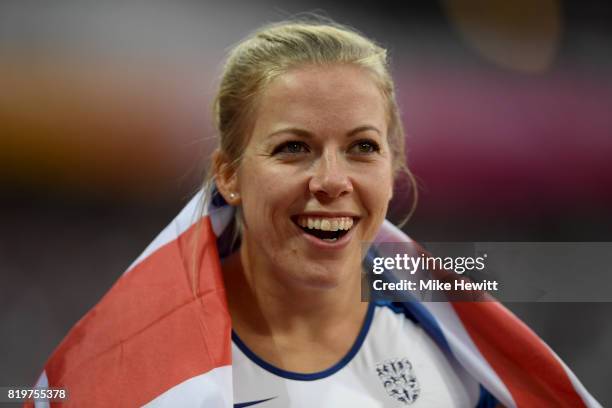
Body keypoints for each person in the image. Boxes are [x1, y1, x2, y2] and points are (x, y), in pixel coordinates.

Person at [28, 19, 599, 408]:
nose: (332, 181)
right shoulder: (134, 374)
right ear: (228, 175)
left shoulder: (460, 364)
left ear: (393, 167)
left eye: (362, 147)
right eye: (293, 148)